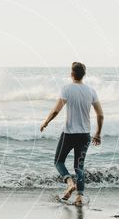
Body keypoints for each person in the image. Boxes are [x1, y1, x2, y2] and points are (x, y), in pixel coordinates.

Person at [39, 62, 104, 206]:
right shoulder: (91, 91)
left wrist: (46, 122)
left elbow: (56, 110)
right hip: (85, 135)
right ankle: (79, 197)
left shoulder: (66, 89)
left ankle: (69, 183)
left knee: (58, 161)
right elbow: (100, 115)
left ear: (72, 74)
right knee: (79, 166)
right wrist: (98, 133)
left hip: (69, 134)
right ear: (83, 74)